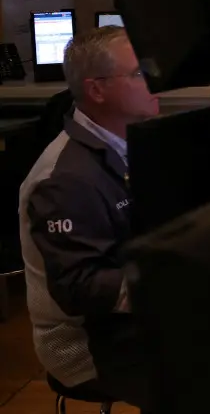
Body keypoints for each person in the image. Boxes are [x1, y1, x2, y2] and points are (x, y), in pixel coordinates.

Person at [18, 27, 160, 408]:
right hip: (85, 347)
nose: (153, 79)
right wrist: (173, 285)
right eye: (137, 73)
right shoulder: (62, 180)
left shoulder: (131, 142)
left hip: (122, 322)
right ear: (97, 90)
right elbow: (80, 287)